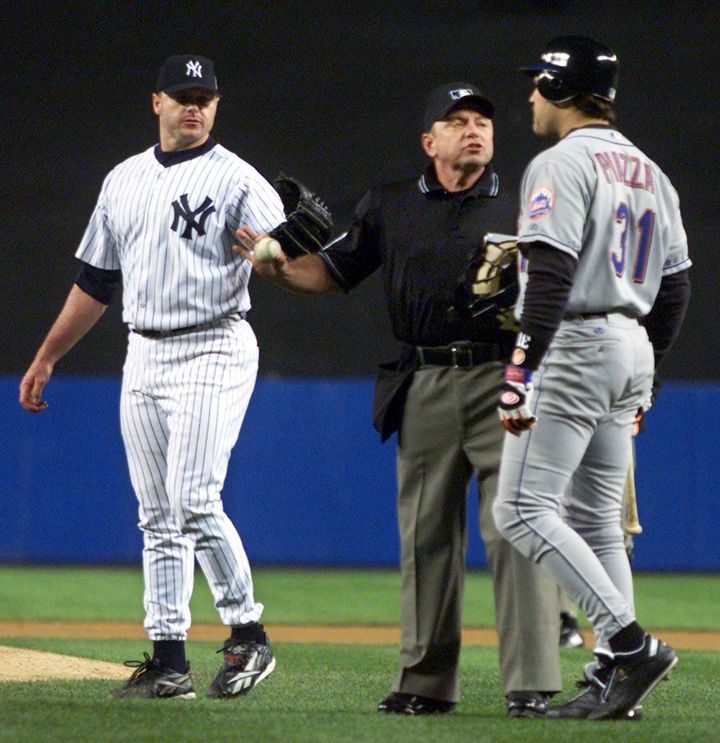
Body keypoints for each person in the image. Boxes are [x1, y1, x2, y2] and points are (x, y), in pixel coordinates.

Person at [236, 83, 562, 717]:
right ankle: (424, 682)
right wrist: (274, 267)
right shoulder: (388, 204)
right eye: (457, 121)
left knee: (516, 531)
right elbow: (331, 273)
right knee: (426, 536)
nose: (474, 130)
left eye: (482, 121)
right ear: (428, 141)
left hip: (508, 377)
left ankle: (530, 685)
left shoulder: (528, 203)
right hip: (427, 381)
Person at [19, 54, 287, 699]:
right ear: (157, 102)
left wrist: (283, 254)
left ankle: (249, 636)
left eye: (205, 96)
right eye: (181, 94)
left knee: (194, 498)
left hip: (214, 343)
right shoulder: (123, 180)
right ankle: (170, 661)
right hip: (143, 350)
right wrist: (48, 355)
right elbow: (96, 282)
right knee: (157, 516)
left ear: (216, 106)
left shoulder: (239, 180)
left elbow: (288, 255)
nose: (193, 104)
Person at [492, 36, 691, 720]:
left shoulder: (560, 162)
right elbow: (676, 289)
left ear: (561, 89)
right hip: (631, 342)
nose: (529, 97)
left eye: (537, 84)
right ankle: (615, 677)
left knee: (518, 507)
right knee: (600, 524)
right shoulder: (650, 172)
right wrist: (648, 372)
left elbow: (547, 275)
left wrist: (520, 366)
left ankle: (631, 648)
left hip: (576, 341)